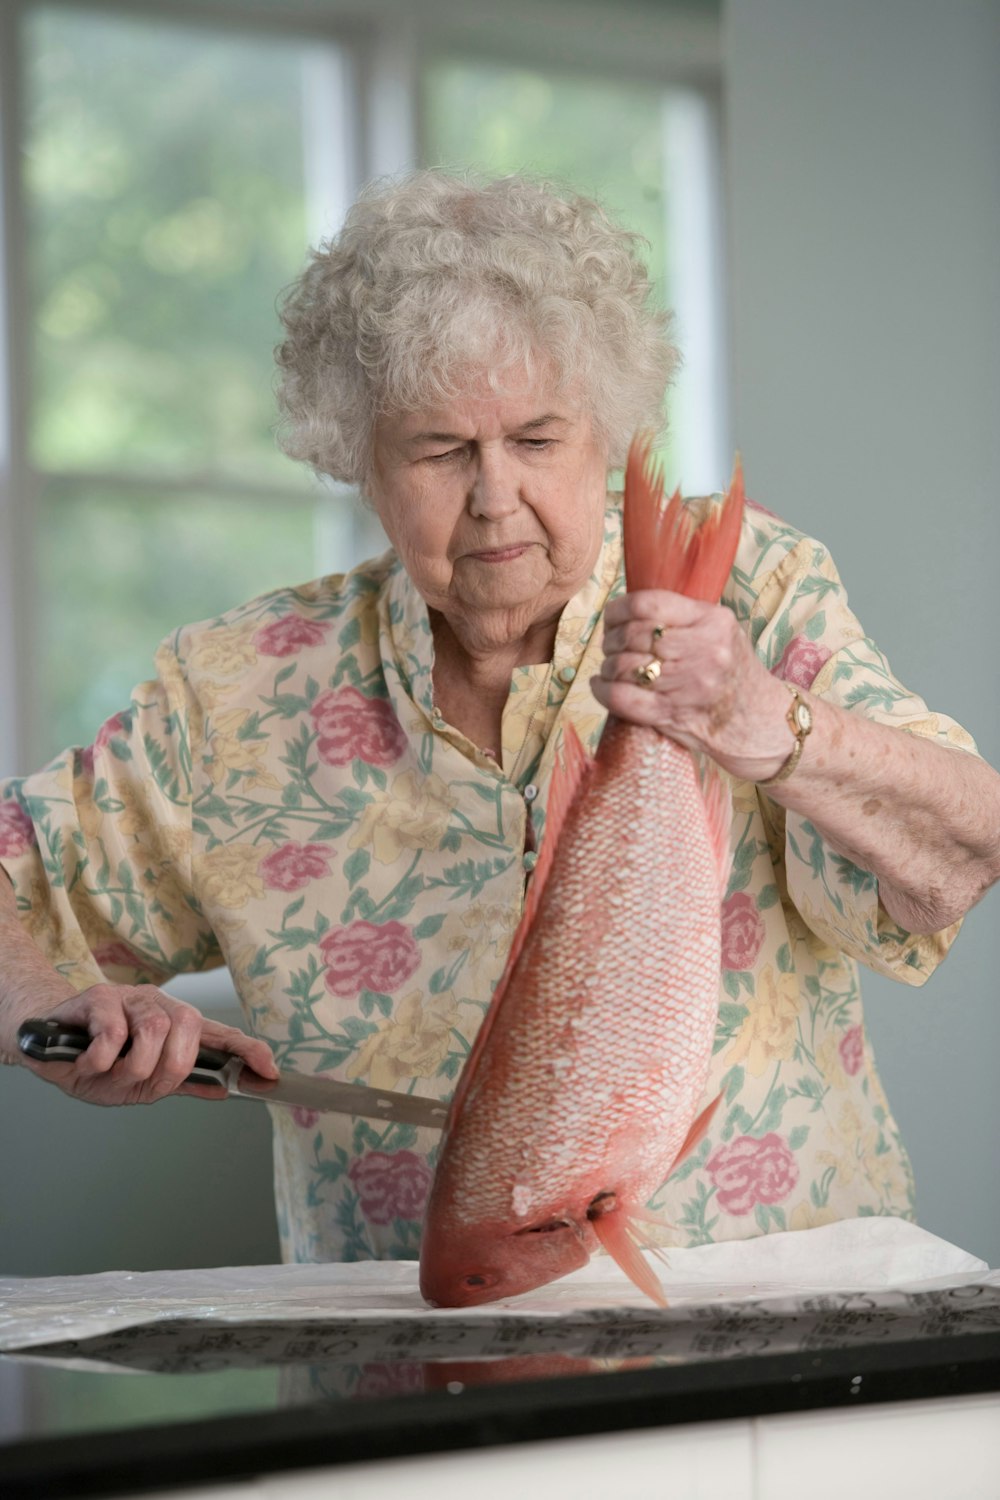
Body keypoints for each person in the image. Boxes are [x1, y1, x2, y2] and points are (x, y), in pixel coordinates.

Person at [1, 170, 998, 1264]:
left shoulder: (748, 590)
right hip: (419, 1362)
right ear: (356, 459)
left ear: (606, 432)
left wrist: (776, 727)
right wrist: (56, 1009)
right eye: (438, 452)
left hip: (792, 1333)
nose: (493, 497)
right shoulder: (237, 689)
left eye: (536, 439)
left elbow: (963, 850)